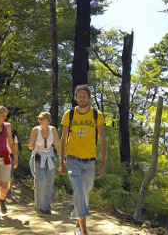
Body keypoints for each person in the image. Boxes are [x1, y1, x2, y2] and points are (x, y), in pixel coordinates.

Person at [59, 85, 107, 235]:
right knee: (78, 191)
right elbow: (63, 138)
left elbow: (103, 139)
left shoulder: (96, 115)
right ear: (75, 97)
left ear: (89, 98)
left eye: (84, 96)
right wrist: (61, 161)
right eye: (79, 96)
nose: (81, 99)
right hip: (73, 159)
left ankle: (77, 226)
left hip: (90, 162)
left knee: (85, 195)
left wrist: (103, 163)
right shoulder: (69, 114)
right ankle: (85, 231)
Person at [28, 112, 60, 214]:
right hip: (37, 158)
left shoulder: (53, 130)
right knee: (40, 181)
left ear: (48, 120)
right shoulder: (35, 130)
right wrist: (32, 144)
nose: (40, 120)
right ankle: (40, 207)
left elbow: (57, 145)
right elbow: (30, 146)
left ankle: (47, 206)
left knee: (49, 183)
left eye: (42, 119)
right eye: (39, 119)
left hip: (49, 158)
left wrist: (62, 157)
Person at [6, 126, 19, 196]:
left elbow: (16, 148)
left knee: (10, 172)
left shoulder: (14, 137)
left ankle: (9, 189)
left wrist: (16, 158)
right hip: (2, 155)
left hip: (11, 155)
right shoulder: (2, 135)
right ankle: (3, 189)